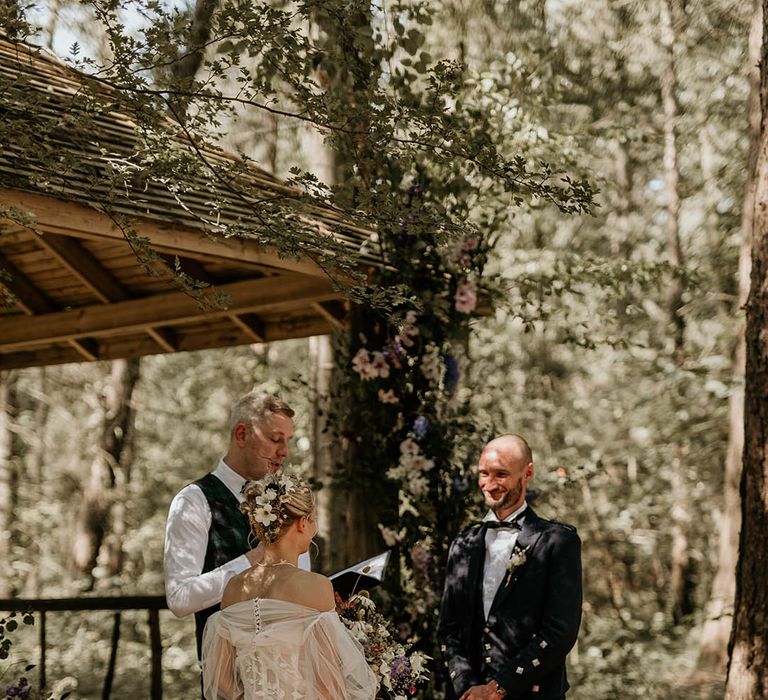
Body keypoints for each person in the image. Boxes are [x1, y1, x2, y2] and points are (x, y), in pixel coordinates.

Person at [201, 473, 377, 699]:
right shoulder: (316, 587)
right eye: (314, 520)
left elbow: (220, 679)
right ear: (303, 523)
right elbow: (329, 687)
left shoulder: (234, 588)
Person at [438, 435, 582, 700]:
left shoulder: (558, 542)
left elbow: (560, 632)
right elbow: (449, 629)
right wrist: (468, 686)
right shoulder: (463, 542)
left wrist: (498, 688)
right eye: (484, 473)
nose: (490, 484)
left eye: (501, 474)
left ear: (528, 473)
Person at [163, 391, 307, 657]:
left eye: (287, 441)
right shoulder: (193, 501)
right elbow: (180, 599)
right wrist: (254, 559)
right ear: (242, 435)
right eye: (276, 440)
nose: (284, 452)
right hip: (230, 675)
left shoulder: (285, 499)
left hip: (290, 667)